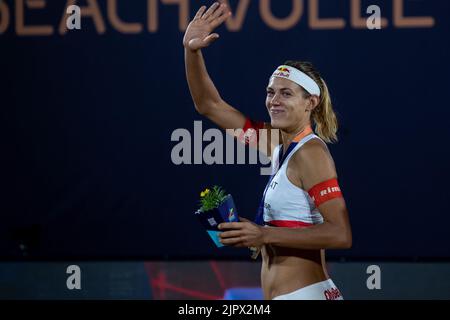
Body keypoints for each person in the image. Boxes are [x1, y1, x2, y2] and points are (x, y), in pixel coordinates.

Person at [183, 2, 352, 300]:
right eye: (270, 92)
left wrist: (264, 234)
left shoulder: (310, 153)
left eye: (286, 93)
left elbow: (341, 234)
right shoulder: (277, 144)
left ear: (309, 102)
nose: (274, 100)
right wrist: (191, 51)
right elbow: (209, 105)